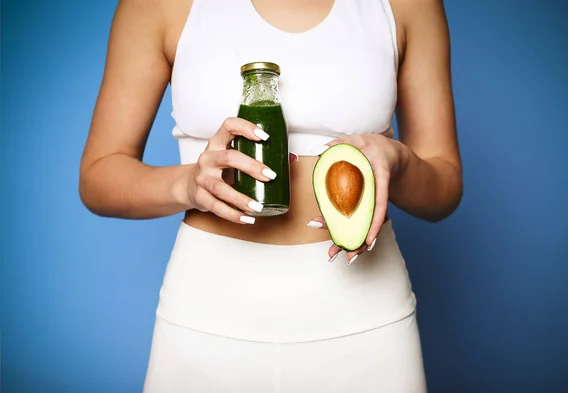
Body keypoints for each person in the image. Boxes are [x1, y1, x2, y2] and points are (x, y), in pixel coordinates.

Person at [79, 0, 462, 391]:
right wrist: (188, 184)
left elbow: (443, 190)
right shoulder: (158, 6)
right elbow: (100, 175)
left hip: (366, 310)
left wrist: (399, 162)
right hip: (208, 310)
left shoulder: (407, 6)